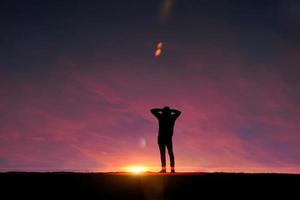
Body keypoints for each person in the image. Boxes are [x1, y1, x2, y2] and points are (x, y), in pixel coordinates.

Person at [150, 106, 181, 173]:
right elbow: (178, 112)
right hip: (165, 138)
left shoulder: (162, 117)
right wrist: (170, 111)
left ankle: (168, 169)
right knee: (168, 153)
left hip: (164, 138)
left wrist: (161, 110)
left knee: (165, 153)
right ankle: (169, 169)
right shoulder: (171, 117)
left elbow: (152, 110)